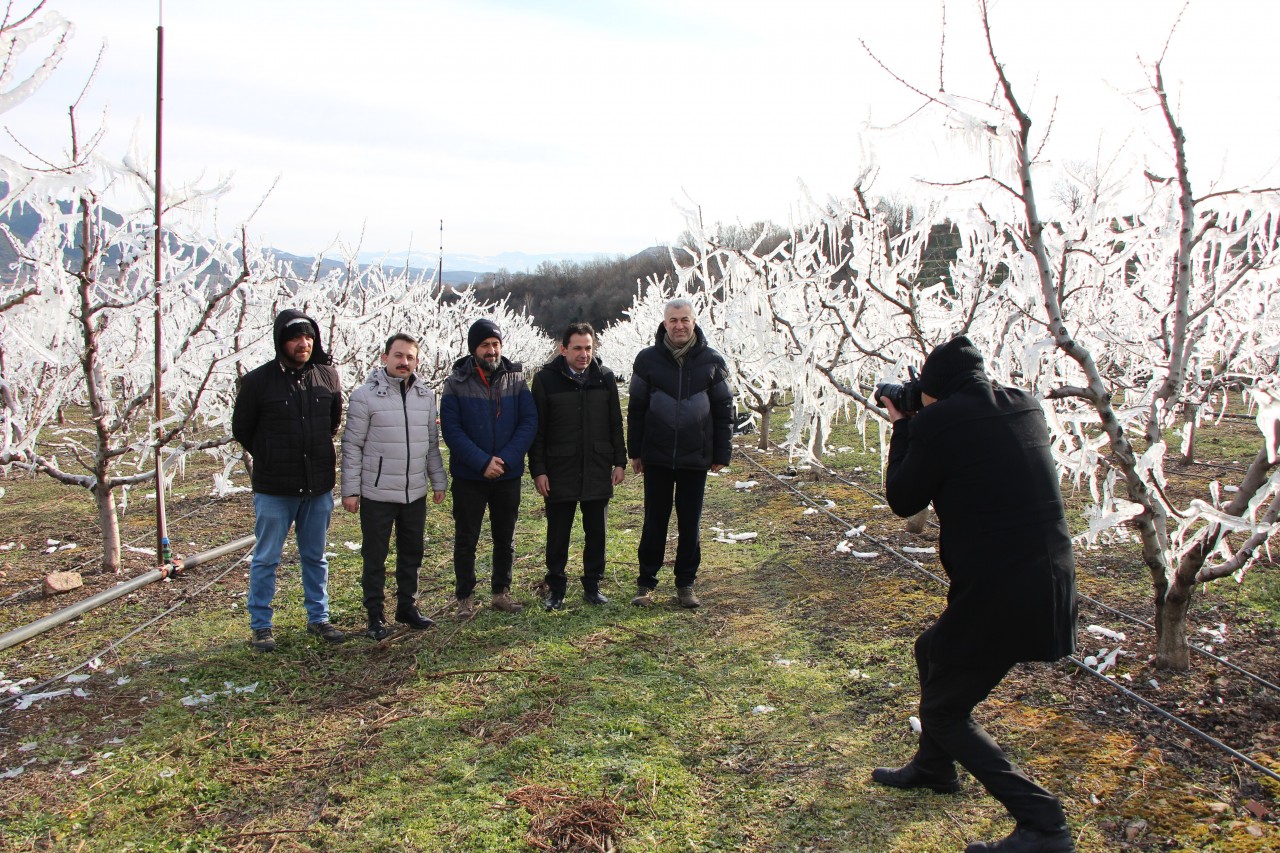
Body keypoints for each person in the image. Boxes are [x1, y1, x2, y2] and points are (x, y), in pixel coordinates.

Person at [873, 335, 1078, 853]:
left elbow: (902, 498)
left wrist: (904, 426)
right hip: (1047, 579)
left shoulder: (938, 423)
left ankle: (1044, 822)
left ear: (935, 390)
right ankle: (934, 767)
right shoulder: (1022, 404)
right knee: (930, 649)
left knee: (945, 710)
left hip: (1002, 592)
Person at [232, 309, 346, 651]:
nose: (304, 343)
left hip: (317, 486)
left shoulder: (326, 376)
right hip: (275, 489)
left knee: (316, 555)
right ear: (281, 341)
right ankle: (262, 625)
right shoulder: (257, 382)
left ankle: (319, 618)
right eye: (296, 337)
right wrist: (271, 454)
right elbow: (243, 430)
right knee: (267, 557)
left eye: (309, 337)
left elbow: (332, 421)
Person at [627, 298, 732, 608]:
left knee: (690, 523)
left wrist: (721, 453)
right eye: (673, 320)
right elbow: (636, 409)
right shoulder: (647, 360)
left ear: (694, 321)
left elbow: (724, 410)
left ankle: (685, 584)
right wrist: (636, 450)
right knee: (654, 521)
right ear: (664, 323)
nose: (679, 325)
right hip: (657, 456)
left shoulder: (713, 361)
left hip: (695, 456)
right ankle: (646, 582)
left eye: (684, 319)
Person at [341, 333, 448, 640]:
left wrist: (437, 480)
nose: (404, 362)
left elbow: (430, 443)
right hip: (378, 492)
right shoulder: (365, 397)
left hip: (414, 490)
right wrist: (350, 489)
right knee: (375, 556)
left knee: (411, 551)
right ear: (385, 358)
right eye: (399, 356)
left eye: (410, 357)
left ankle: (407, 607)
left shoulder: (425, 397)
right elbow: (352, 446)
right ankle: (375, 615)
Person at [440, 318, 538, 618]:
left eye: (495, 344)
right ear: (474, 349)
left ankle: (501, 592)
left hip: (507, 474)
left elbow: (528, 422)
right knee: (466, 538)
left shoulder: (516, 379)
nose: (492, 350)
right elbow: (452, 430)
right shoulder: (455, 383)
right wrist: (482, 462)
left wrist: (505, 459)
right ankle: (465, 597)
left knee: (504, 537)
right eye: (485, 345)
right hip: (471, 475)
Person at [528, 323, 627, 610]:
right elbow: (538, 430)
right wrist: (539, 470)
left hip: (597, 465)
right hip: (560, 468)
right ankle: (556, 589)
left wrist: (619, 461)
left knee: (597, 532)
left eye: (588, 348)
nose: (584, 354)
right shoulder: (546, 380)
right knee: (558, 532)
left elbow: (614, 424)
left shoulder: (604, 377)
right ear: (563, 349)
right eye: (578, 348)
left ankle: (592, 586)